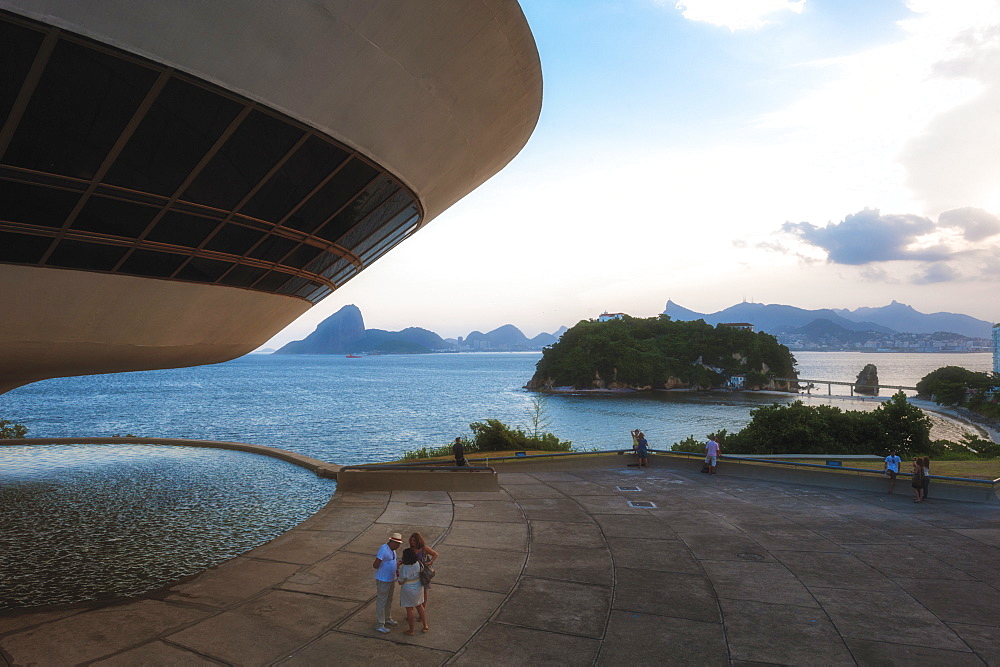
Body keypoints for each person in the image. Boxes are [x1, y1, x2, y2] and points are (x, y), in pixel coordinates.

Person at [372, 532, 403, 633]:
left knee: (389, 600)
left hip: (390, 579)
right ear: (392, 542)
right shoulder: (384, 549)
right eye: (398, 544)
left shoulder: (392, 550)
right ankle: (380, 624)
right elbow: (376, 564)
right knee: (382, 601)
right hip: (383, 579)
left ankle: (387, 618)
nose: (398, 546)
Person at [396, 548, 428, 635]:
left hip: (408, 588)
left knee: (410, 609)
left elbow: (400, 582)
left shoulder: (404, 568)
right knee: (419, 606)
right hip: (418, 586)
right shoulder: (418, 564)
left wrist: (397, 569)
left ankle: (411, 630)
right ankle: (425, 625)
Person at [409, 532, 438, 607]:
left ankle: (423, 608)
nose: (412, 542)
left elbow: (435, 554)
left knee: (424, 591)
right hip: (414, 572)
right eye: (411, 540)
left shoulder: (424, 548)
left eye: (414, 540)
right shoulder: (411, 549)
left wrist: (430, 562)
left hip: (423, 572)